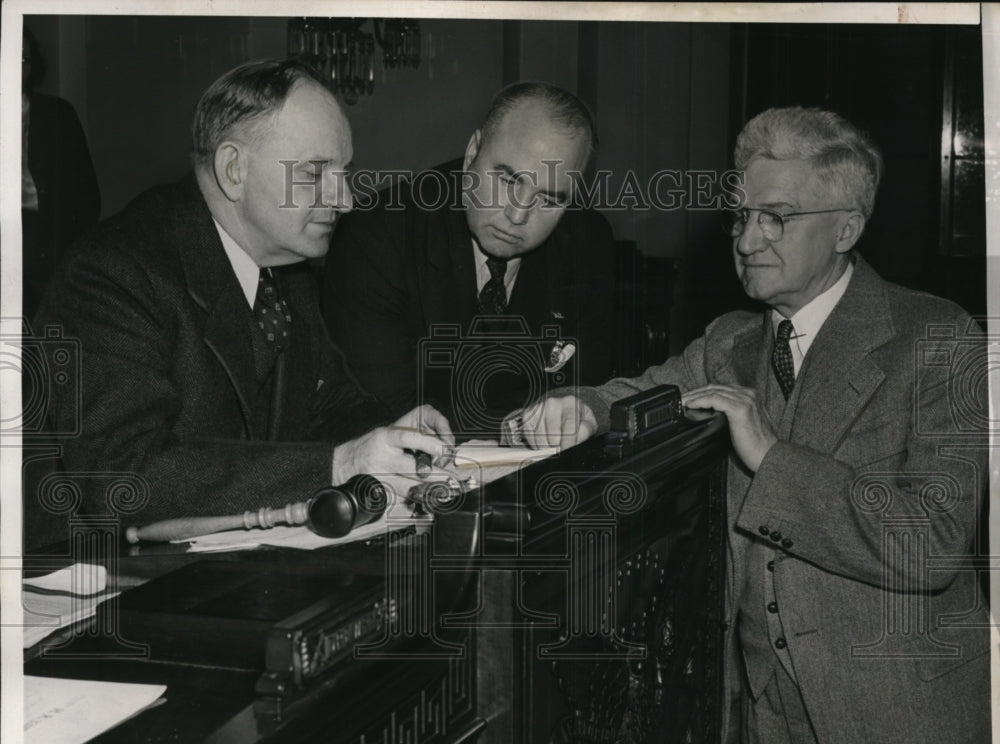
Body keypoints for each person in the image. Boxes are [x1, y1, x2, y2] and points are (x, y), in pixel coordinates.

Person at [520, 108, 990, 744]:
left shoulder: (939, 338)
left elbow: (933, 542)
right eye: (740, 217)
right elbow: (645, 389)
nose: (746, 239)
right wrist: (584, 407)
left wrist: (771, 456)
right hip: (764, 736)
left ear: (845, 228)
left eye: (777, 217)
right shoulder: (730, 340)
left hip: (904, 726)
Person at [32, 60, 454, 532]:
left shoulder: (284, 266)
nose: (346, 200)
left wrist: (398, 433)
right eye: (316, 174)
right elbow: (123, 480)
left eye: (344, 171)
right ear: (233, 169)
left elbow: (324, 404)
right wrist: (336, 465)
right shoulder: (113, 272)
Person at [321, 81, 616, 439]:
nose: (518, 216)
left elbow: (588, 391)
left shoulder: (588, 242)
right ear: (473, 150)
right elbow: (383, 409)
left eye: (550, 200)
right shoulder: (376, 235)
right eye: (507, 180)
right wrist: (523, 425)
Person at [21, 26, 101, 320]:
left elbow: (86, 195)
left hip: (50, 253)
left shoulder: (57, 114)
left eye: (24, 59)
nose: (17, 68)